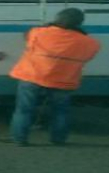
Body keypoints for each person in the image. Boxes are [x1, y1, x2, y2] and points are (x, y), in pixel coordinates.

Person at [8, 8, 101, 146]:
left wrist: (48, 25)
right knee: (61, 111)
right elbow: (88, 57)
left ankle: (19, 139)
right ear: (79, 23)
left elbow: (27, 36)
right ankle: (58, 139)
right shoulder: (91, 43)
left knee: (24, 110)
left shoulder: (38, 33)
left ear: (57, 19)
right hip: (64, 81)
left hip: (32, 77)